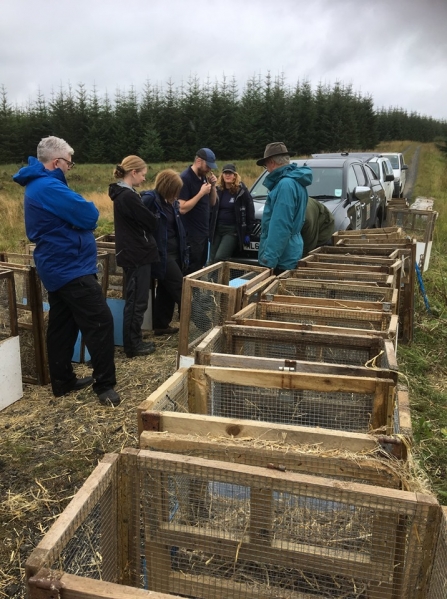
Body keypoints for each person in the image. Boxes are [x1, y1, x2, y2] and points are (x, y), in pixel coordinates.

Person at [13, 136, 120, 406]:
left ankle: (63, 381)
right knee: (100, 320)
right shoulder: (48, 186)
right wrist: (81, 219)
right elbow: (89, 215)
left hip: (59, 265)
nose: (69, 169)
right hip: (69, 266)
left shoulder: (40, 185)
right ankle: (104, 385)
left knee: (63, 323)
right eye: (69, 164)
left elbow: (78, 216)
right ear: (57, 162)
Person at [108, 156, 159, 358]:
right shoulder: (128, 196)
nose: (144, 179)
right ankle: (133, 345)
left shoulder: (125, 194)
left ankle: (133, 340)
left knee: (135, 299)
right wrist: (153, 217)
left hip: (133, 252)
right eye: (143, 174)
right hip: (136, 254)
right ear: (134, 173)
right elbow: (150, 222)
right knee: (136, 301)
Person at [141, 169, 188, 336]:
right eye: (175, 190)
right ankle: (201, 323)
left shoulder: (171, 203)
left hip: (175, 252)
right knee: (180, 288)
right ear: (168, 187)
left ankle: (160, 324)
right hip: (161, 254)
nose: (177, 194)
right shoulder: (150, 200)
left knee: (166, 289)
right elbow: (139, 224)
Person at [256, 142, 312, 275]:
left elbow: (281, 226)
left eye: (266, 166)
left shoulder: (285, 185)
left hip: (282, 257)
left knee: (273, 294)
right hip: (289, 251)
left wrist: (268, 260)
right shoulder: (295, 181)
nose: (267, 170)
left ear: (272, 163)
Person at [178, 148, 218, 273]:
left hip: (203, 233)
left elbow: (212, 203)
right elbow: (182, 208)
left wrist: (213, 187)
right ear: (199, 161)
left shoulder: (203, 177)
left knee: (200, 268)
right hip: (191, 235)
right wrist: (201, 193)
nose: (209, 170)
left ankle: (195, 292)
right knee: (190, 270)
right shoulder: (185, 178)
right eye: (208, 166)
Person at [209, 163, 255, 263]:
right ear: (222, 175)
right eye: (225, 173)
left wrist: (247, 232)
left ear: (235, 175)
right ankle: (210, 279)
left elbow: (250, 213)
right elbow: (211, 210)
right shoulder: (218, 190)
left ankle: (218, 278)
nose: (227, 175)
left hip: (232, 230)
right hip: (217, 229)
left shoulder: (242, 191)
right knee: (211, 259)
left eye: (230, 173)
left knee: (220, 257)